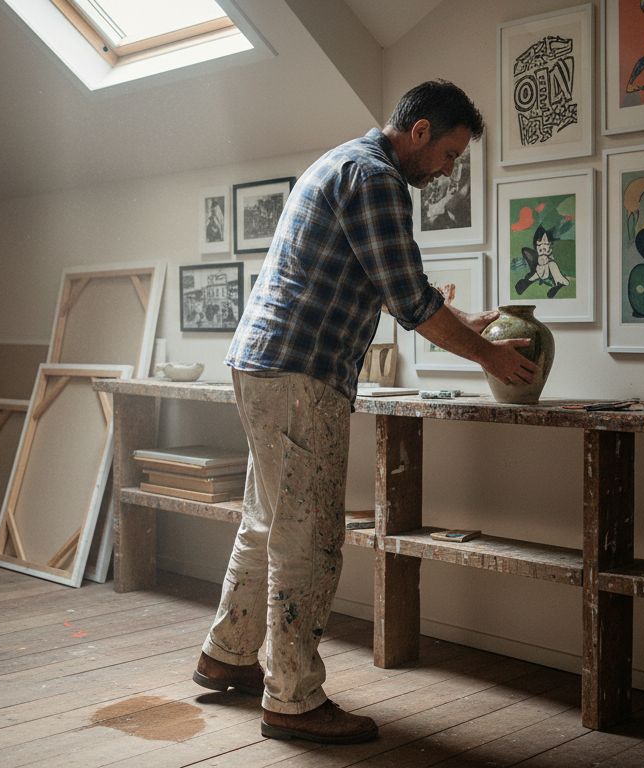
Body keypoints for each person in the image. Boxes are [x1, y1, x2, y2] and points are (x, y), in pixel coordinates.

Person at [191, 80, 538, 745]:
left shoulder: (342, 161)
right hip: (299, 374)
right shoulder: (377, 180)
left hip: (263, 362)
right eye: (448, 154)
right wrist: (489, 358)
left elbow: (388, 287)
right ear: (420, 131)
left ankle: (226, 655)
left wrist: (463, 322)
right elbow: (408, 296)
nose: (447, 170)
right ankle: (291, 700)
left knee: (269, 522)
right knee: (311, 537)